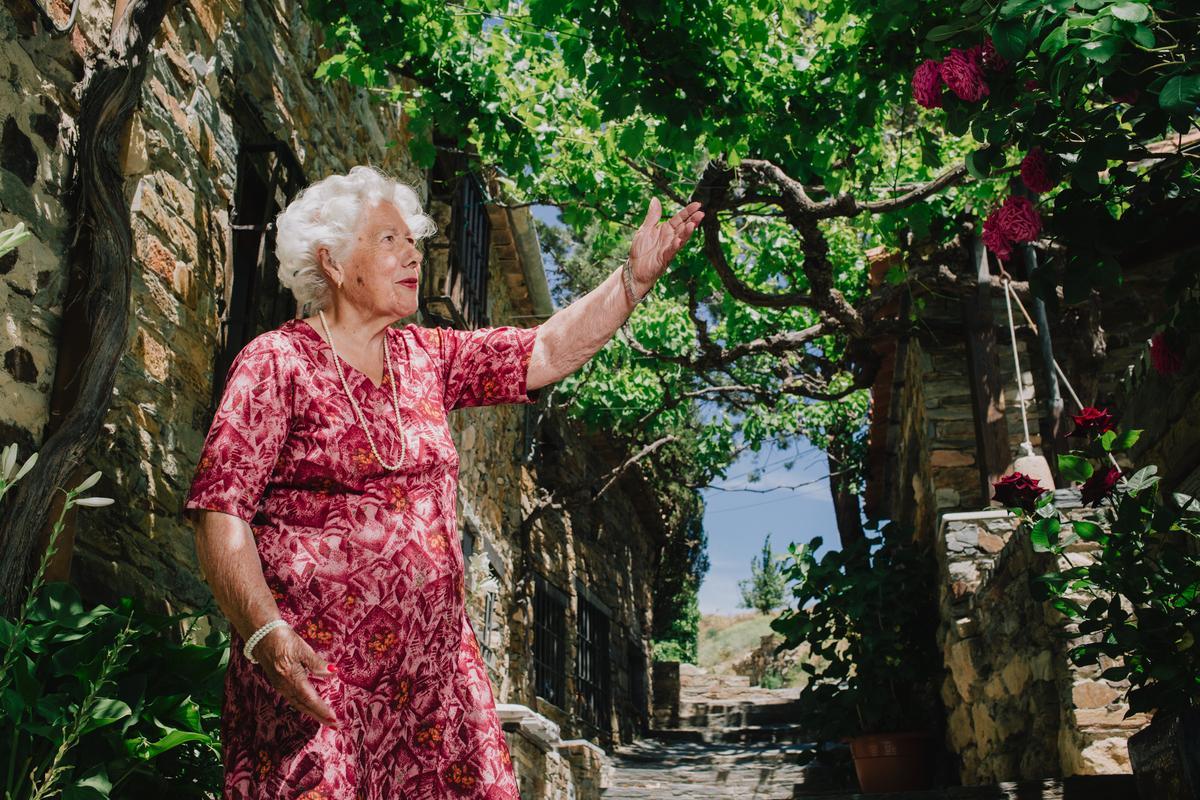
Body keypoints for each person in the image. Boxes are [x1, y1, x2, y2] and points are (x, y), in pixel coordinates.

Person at [184, 164, 703, 798]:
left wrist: (632, 281)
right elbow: (221, 507)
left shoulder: (425, 357)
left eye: (414, 241)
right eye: (389, 240)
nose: (413, 255)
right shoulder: (276, 362)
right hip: (319, 680)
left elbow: (542, 351)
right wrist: (264, 632)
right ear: (334, 262)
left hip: (435, 688)